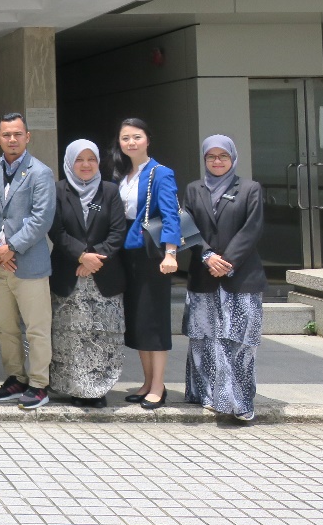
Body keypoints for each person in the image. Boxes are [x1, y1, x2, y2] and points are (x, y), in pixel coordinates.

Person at [183, 135, 266, 422]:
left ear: (233, 158)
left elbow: (251, 229)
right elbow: (186, 225)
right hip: (204, 277)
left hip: (242, 277)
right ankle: (207, 395)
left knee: (241, 341)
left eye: (223, 156)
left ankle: (240, 402)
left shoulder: (250, 189)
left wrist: (226, 261)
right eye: (211, 157)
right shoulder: (194, 189)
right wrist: (207, 256)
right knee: (203, 340)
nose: (217, 161)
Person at [48, 139, 127, 407]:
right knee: (69, 335)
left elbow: (118, 232)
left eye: (91, 159)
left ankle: (97, 390)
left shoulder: (109, 192)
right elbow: (55, 230)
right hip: (68, 272)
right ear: (70, 162)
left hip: (104, 274)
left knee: (102, 335)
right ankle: (71, 386)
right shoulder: (58, 190)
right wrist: (81, 255)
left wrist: (95, 259)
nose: (85, 165)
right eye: (79, 159)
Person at [0, 113, 56, 410]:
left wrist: (11, 247)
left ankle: (39, 384)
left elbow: (42, 218)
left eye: (17, 134)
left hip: (28, 264)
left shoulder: (40, 173)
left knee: (37, 327)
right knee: (4, 326)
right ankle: (16, 377)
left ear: (28, 137)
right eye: (6, 135)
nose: (12, 139)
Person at [113, 117, 180, 410]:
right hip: (128, 255)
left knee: (154, 320)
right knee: (138, 319)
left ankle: (158, 386)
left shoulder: (160, 173)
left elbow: (170, 215)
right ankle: (147, 381)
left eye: (136, 137)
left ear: (148, 139)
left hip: (153, 255)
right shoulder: (123, 174)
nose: (131, 142)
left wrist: (171, 253)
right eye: (125, 137)